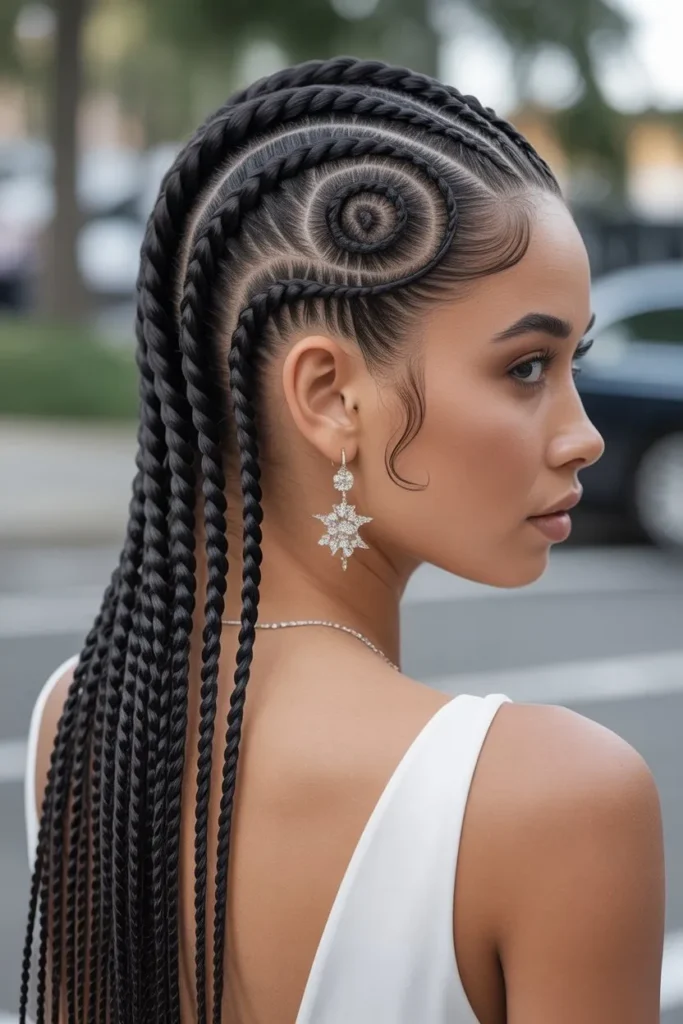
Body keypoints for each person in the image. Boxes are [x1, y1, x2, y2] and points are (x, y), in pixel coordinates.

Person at [22, 56, 665, 1024]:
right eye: (526, 366)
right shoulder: (553, 796)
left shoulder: (82, 713)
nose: (583, 434)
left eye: (571, 362)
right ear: (329, 396)